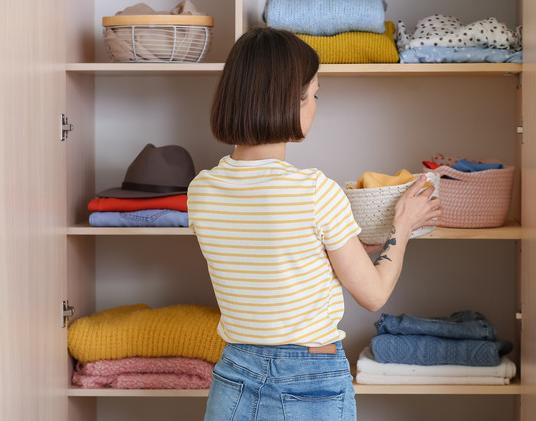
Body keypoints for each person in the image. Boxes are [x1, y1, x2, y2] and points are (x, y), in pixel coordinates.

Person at [187, 27, 441, 421]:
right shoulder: (315, 190)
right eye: (315, 93)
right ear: (291, 100)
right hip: (309, 380)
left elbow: (271, 270)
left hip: (233, 377)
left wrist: (339, 256)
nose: (316, 106)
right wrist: (403, 227)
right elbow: (373, 295)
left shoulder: (200, 192)